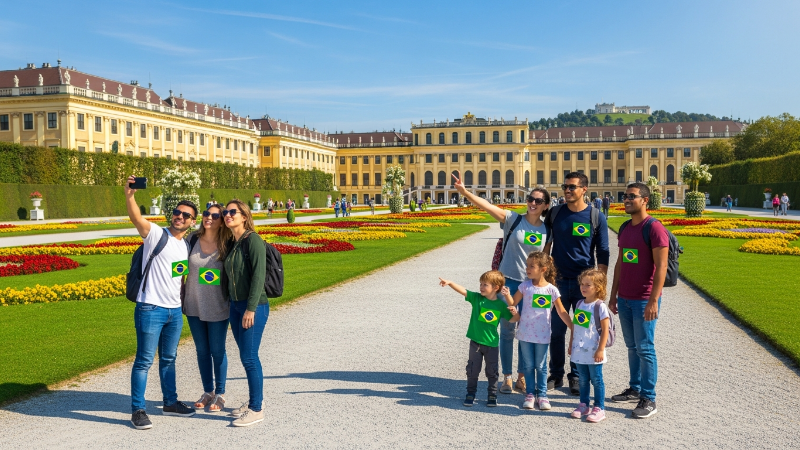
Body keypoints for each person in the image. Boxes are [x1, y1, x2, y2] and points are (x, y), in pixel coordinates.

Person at [453, 171, 551, 395]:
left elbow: (546, 260)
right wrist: (465, 191)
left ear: (545, 205)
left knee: (526, 332)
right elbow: (487, 206)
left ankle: (522, 377)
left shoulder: (547, 229)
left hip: (531, 286)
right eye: (530, 199)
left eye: (538, 200)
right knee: (507, 332)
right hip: (507, 283)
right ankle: (507, 377)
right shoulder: (513, 219)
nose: (532, 203)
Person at [125, 175, 198, 430]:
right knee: (144, 360)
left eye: (185, 215)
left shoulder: (185, 247)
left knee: (169, 358)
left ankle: (170, 402)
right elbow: (136, 218)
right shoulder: (156, 234)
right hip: (150, 308)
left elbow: (177, 276)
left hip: (174, 312)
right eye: (177, 212)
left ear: (192, 221)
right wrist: (130, 195)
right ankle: (138, 410)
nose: (179, 216)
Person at [543, 172, 610, 396]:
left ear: (584, 190)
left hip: (586, 285)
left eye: (572, 187)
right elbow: (547, 245)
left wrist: (600, 284)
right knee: (556, 331)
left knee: (581, 330)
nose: (568, 190)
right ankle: (556, 373)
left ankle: (576, 375)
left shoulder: (595, 216)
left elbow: (603, 252)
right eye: (566, 186)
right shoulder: (555, 214)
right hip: (558, 282)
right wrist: (543, 276)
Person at [609, 182, 669, 419]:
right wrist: (613, 295)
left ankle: (649, 397)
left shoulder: (654, 228)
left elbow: (662, 266)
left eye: (632, 196)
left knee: (645, 348)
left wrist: (654, 300)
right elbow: (621, 263)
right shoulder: (625, 227)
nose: (626, 200)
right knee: (632, 347)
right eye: (625, 196)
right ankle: (635, 388)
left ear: (645, 200)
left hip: (644, 299)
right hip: (624, 298)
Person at [439, 271, 519, 407]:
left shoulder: (500, 305)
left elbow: (514, 320)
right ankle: (470, 393)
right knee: (472, 370)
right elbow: (464, 291)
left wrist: (515, 313)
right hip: (475, 343)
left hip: (492, 344)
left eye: (485, 285)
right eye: (480, 284)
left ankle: (492, 395)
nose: (481, 287)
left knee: (492, 372)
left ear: (496, 287)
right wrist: (450, 283)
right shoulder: (477, 298)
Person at [222, 200, 269, 427]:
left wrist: (250, 308)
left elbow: (259, 276)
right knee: (245, 356)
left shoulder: (253, 240)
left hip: (254, 306)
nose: (228, 215)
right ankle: (252, 402)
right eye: (226, 212)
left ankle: (256, 409)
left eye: (233, 212)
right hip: (236, 306)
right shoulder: (233, 242)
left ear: (244, 216)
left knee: (250, 357)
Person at [507, 252, 571, 410]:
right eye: (527, 265)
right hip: (525, 333)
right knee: (528, 365)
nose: (527, 268)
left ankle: (542, 395)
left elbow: (562, 311)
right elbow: (513, 303)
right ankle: (530, 394)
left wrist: (573, 327)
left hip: (542, 334)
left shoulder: (552, 290)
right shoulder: (524, 286)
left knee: (541, 366)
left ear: (543, 269)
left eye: (531, 266)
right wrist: (508, 297)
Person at [184, 204, 231, 414]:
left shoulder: (227, 243)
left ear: (221, 220)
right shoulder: (192, 239)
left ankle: (220, 394)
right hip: (193, 304)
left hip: (218, 305)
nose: (208, 218)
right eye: (206, 214)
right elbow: (179, 268)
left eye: (214, 215)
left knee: (217, 350)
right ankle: (207, 391)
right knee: (202, 351)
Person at [568, 269, 610, 423]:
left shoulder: (600, 306)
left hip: (594, 351)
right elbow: (575, 326)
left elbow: (605, 329)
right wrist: (571, 343)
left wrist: (600, 349)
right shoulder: (579, 303)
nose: (583, 287)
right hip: (579, 350)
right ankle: (584, 404)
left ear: (598, 287)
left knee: (597, 379)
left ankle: (599, 408)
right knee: (583, 379)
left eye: (588, 285)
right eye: (582, 284)